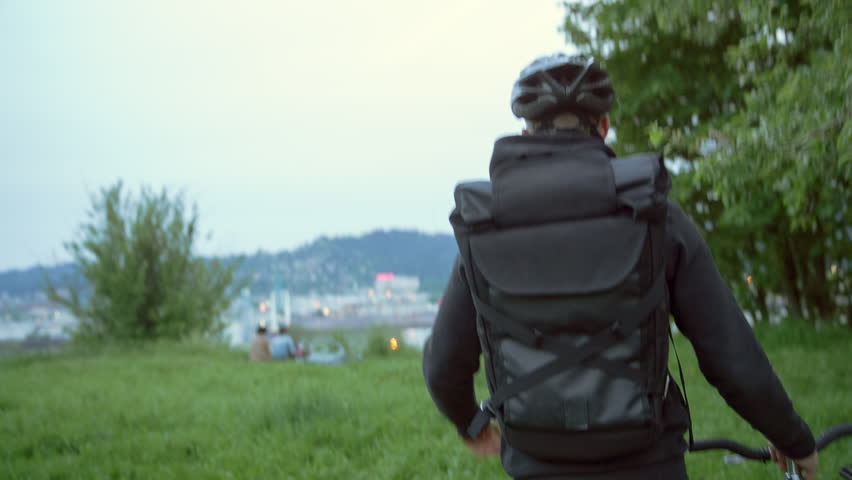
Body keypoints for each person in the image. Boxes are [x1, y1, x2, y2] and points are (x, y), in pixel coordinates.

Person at [422, 53, 818, 480]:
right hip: (648, 460)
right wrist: (791, 438)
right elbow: (730, 353)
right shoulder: (650, 212)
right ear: (604, 126)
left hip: (538, 461)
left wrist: (472, 422)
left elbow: (444, 364)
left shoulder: (486, 224)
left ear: (525, 132)